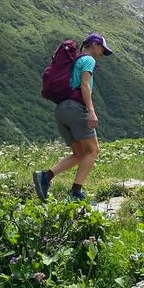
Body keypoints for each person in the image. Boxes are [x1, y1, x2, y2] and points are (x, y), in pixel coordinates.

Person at [33, 33, 113, 202]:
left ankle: (45, 177)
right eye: (101, 50)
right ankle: (76, 193)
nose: (101, 54)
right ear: (94, 45)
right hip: (76, 108)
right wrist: (91, 110)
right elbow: (85, 85)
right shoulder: (88, 60)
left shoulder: (74, 61)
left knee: (79, 154)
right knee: (93, 150)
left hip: (61, 109)